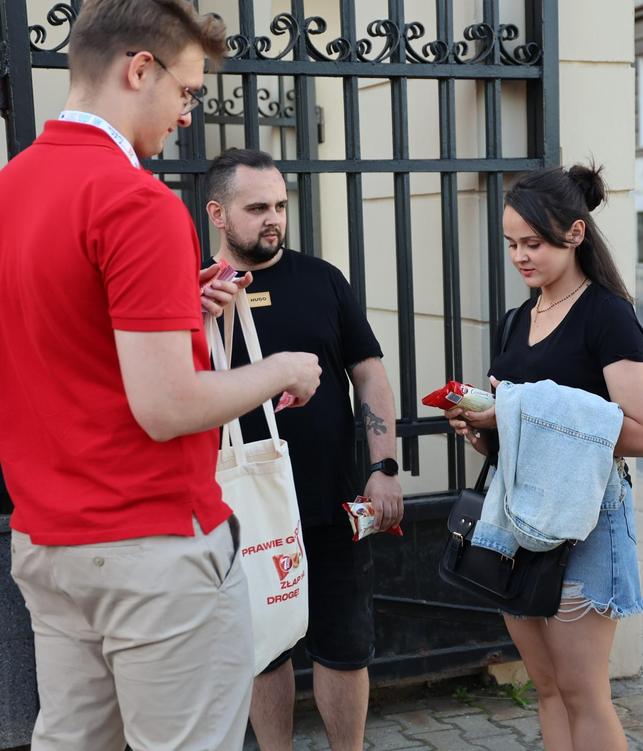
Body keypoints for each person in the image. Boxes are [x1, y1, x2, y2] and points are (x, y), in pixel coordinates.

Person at [0, 3, 321, 750]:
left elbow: (56, 342)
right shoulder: (134, 199)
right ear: (138, 68)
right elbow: (167, 404)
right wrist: (281, 366)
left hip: (50, 541)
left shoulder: (11, 188)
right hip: (154, 545)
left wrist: (180, 305)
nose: (188, 113)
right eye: (187, 90)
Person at [446, 164, 643, 751]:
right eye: (512, 243)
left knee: (582, 690)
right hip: (517, 515)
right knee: (546, 689)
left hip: (590, 516)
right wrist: (485, 429)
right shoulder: (518, 319)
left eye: (533, 243)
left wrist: (520, 411)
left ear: (575, 235)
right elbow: (522, 427)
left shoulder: (606, 313)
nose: (520, 256)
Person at [204, 148, 404, 751]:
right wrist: (196, 318)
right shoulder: (195, 292)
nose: (274, 219)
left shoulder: (323, 280)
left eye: (281, 206)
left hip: (332, 499)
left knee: (345, 649)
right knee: (265, 653)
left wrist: (384, 467)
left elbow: (369, 376)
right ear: (218, 212)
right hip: (244, 509)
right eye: (257, 206)